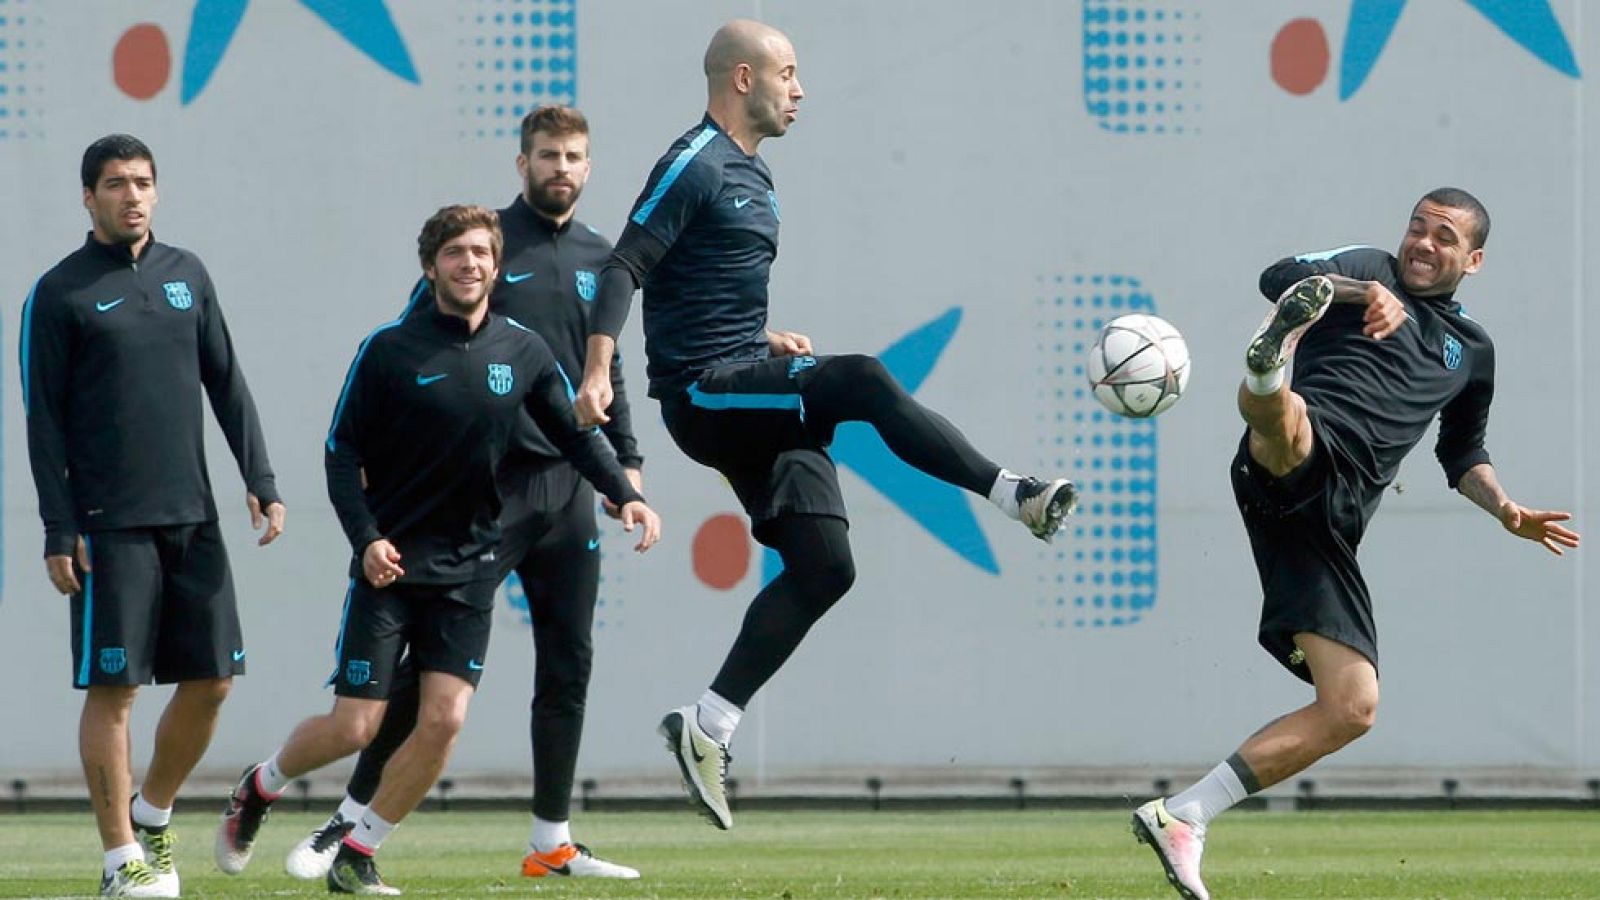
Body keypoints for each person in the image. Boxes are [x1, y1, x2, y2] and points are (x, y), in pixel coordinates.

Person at [570, 19, 1077, 832]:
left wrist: (763, 341)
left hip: (745, 382)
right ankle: (1011, 491)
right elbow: (626, 266)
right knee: (864, 378)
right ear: (743, 78)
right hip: (703, 397)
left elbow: (704, 290)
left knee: (827, 567)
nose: (800, 89)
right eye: (788, 73)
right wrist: (597, 370)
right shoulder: (694, 162)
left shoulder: (758, 178)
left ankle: (708, 726)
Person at [1131, 188, 1581, 900]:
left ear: (1475, 259)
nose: (1422, 244)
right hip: (1310, 451)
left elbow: (1462, 452)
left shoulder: (1474, 352)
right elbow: (1283, 276)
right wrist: (1355, 289)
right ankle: (1266, 372)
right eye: (1416, 228)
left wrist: (1503, 508)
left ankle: (1184, 814)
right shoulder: (1367, 268)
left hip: (1334, 521)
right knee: (1290, 432)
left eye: (1442, 236)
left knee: (1351, 708)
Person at [212, 205, 661, 895]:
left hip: (470, 567)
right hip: (390, 569)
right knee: (355, 727)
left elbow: (574, 433)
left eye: (482, 252)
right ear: (431, 267)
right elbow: (340, 455)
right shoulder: (389, 350)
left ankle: (359, 853)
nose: (471, 264)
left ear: (495, 263)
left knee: (445, 720)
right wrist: (367, 541)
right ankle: (261, 786)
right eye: (455, 253)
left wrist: (624, 490)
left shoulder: (523, 350)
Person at [21, 134, 287, 898]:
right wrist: (58, 528)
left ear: (157, 192)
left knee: (213, 681)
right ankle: (119, 857)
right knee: (116, 693)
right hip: (108, 525)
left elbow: (227, 382)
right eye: (114, 184)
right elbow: (43, 424)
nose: (131, 195)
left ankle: (155, 812)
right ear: (88, 197)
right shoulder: (59, 293)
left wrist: (259, 478)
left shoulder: (186, 275)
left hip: (193, 517)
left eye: (142, 182)